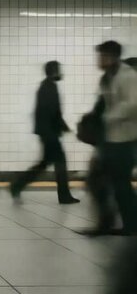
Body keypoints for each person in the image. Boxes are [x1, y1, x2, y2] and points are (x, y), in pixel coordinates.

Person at [83, 41, 137, 236]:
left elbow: (133, 105)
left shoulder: (128, 76)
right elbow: (104, 103)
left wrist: (108, 117)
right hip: (109, 139)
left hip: (125, 139)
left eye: (102, 56)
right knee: (99, 180)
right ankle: (107, 222)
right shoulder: (106, 78)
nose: (99, 60)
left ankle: (129, 225)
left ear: (112, 57)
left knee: (120, 183)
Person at [10, 61, 79, 204]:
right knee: (59, 162)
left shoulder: (46, 86)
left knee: (43, 164)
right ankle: (64, 195)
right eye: (59, 70)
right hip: (50, 133)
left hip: (47, 132)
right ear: (54, 71)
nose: (61, 73)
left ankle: (17, 186)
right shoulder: (49, 87)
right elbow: (53, 112)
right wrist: (64, 127)